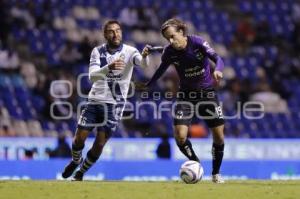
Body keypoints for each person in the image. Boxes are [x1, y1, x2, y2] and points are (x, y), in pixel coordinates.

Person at [62, 20, 150, 181]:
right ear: (105, 34)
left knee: (100, 143)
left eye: (118, 30)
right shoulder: (97, 52)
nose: (115, 34)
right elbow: (92, 76)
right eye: (111, 31)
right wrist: (109, 67)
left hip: (115, 104)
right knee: (79, 138)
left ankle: (81, 172)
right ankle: (76, 160)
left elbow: (143, 64)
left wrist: (144, 56)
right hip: (95, 100)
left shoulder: (130, 51)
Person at [145, 18, 226, 183]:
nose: (171, 41)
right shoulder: (169, 52)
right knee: (180, 137)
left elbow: (218, 59)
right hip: (185, 96)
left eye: (173, 36)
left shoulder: (197, 42)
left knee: (218, 138)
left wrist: (217, 70)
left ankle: (216, 174)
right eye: (168, 38)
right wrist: (148, 84)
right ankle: (196, 164)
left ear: (181, 32)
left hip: (207, 94)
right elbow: (161, 69)